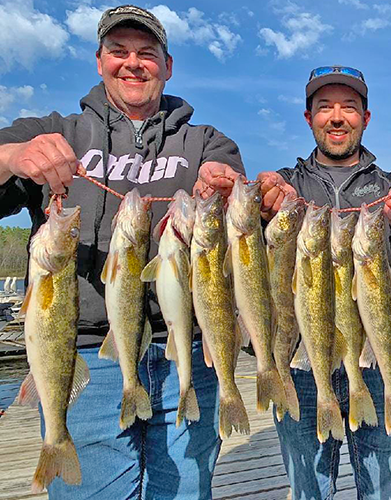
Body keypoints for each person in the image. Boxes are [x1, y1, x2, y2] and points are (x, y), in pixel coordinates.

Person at [0, 5, 244, 498]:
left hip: (187, 355)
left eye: (146, 53)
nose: (132, 62)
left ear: (167, 66)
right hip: (87, 357)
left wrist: (224, 191)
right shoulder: (52, 131)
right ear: (98, 61)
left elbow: (237, 218)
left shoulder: (207, 142)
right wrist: (9, 157)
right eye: (118, 51)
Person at [257, 66, 391, 499]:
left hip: (376, 361)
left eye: (349, 107)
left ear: (365, 119)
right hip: (300, 361)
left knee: (386, 491)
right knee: (308, 490)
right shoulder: (284, 186)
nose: (336, 117)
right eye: (324, 107)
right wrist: (260, 211)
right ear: (308, 117)